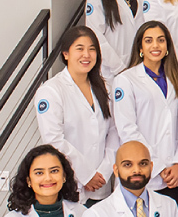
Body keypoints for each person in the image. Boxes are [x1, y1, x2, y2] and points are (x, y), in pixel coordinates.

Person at [113, 21, 178, 214]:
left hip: (175, 177)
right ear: (140, 47)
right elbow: (127, 129)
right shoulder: (125, 80)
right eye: (149, 41)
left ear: (167, 47)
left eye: (160, 40)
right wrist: (158, 165)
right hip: (143, 174)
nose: (155, 45)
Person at [34, 28, 117, 205]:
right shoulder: (51, 91)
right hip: (72, 185)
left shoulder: (105, 87)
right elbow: (54, 140)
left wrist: (102, 172)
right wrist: (86, 175)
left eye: (92, 49)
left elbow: (114, 132)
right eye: (79, 48)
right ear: (66, 54)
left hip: (101, 185)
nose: (86, 54)